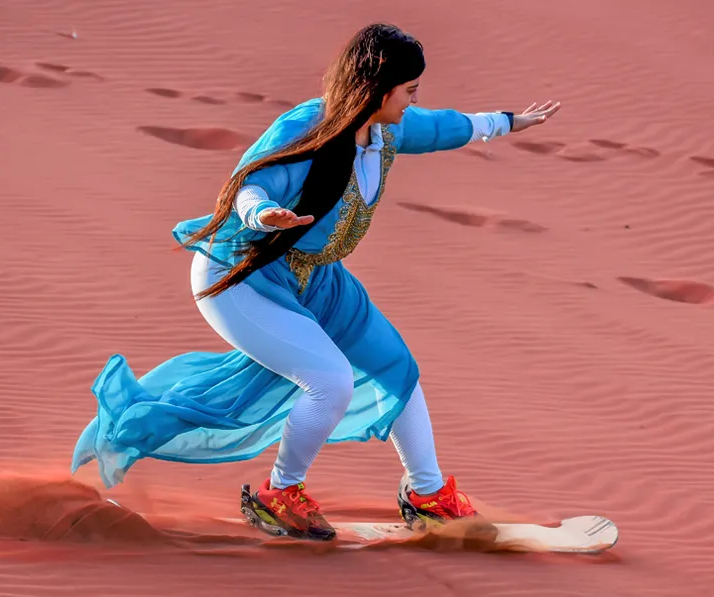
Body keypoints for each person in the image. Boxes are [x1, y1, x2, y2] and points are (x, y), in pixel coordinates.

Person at [70, 23, 560, 541]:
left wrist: (507, 122)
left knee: (397, 369)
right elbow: (250, 183)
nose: (414, 99)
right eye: (408, 90)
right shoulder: (309, 126)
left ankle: (428, 494)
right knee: (331, 382)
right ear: (377, 86)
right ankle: (278, 494)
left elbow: (441, 127)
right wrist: (263, 215)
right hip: (245, 271)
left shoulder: (385, 130)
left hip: (316, 278)